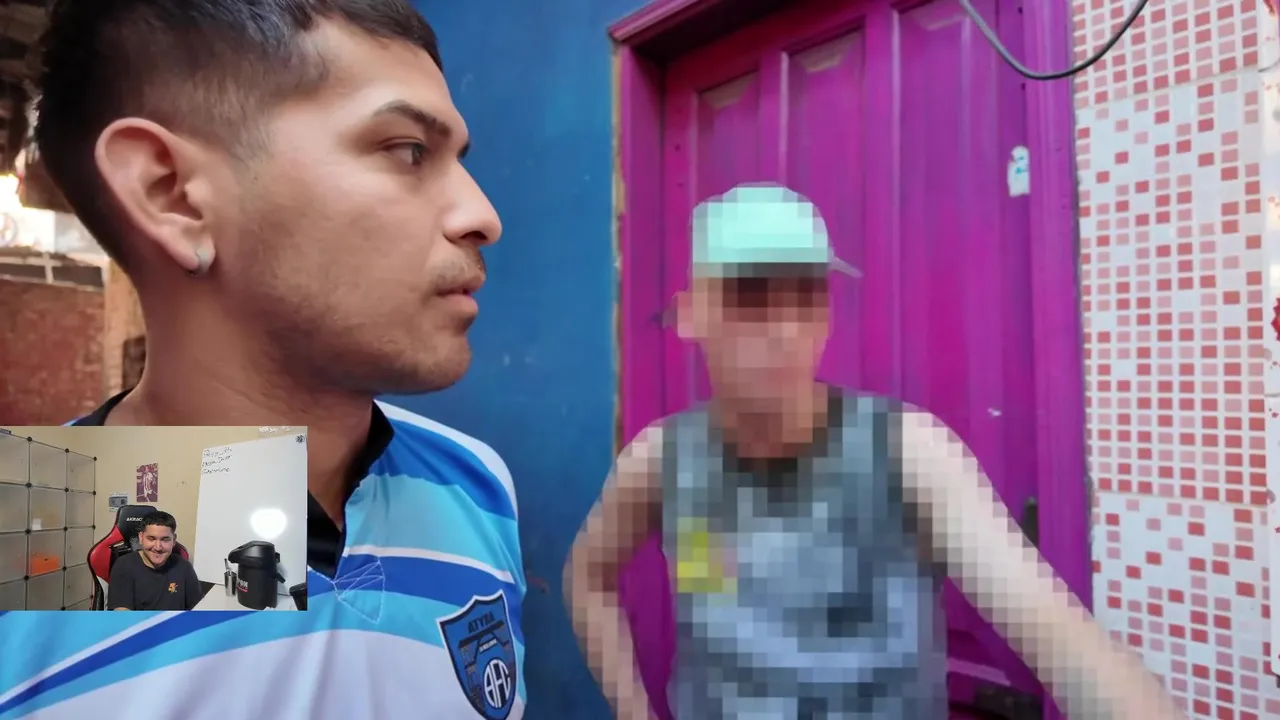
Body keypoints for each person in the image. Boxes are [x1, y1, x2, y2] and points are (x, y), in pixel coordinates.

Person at [0, 2, 524, 719]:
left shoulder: (474, 486)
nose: (483, 216)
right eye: (408, 151)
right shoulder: (26, 536)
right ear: (171, 194)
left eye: (458, 160)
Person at [565, 183, 1186, 720]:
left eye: (807, 296)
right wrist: (633, 711)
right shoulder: (660, 461)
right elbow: (587, 579)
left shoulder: (908, 453)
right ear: (691, 315)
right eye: (750, 296)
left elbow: (1062, 637)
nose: (786, 331)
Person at [106, 511, 202, 611]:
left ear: (174, 540)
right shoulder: (124, 566)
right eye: (151, 539)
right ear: (141, 538)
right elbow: (121, 613)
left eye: (165, 540)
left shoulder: (183, 566)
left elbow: (199, 608)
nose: (158, 547)